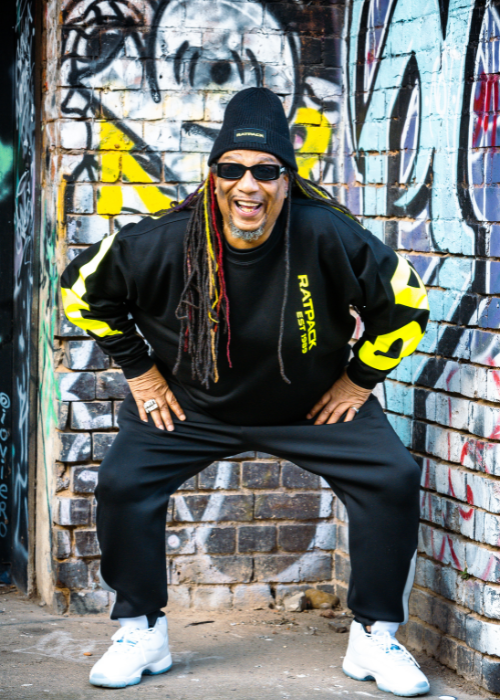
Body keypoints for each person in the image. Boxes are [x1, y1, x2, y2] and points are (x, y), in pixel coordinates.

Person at [61, 87, 430, 696]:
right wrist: (140, 370)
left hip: (309, 407)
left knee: (392, 478)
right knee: (124, 483)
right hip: (192, 405)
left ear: (287, 180)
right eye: (231, 169)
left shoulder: (326, 232)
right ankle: (141, 630)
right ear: (213, 178)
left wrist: (359, 379)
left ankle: (375, 635)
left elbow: (407, 303)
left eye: (266, 171)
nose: (248, 185)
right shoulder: (161, 239)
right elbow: (81, 290)